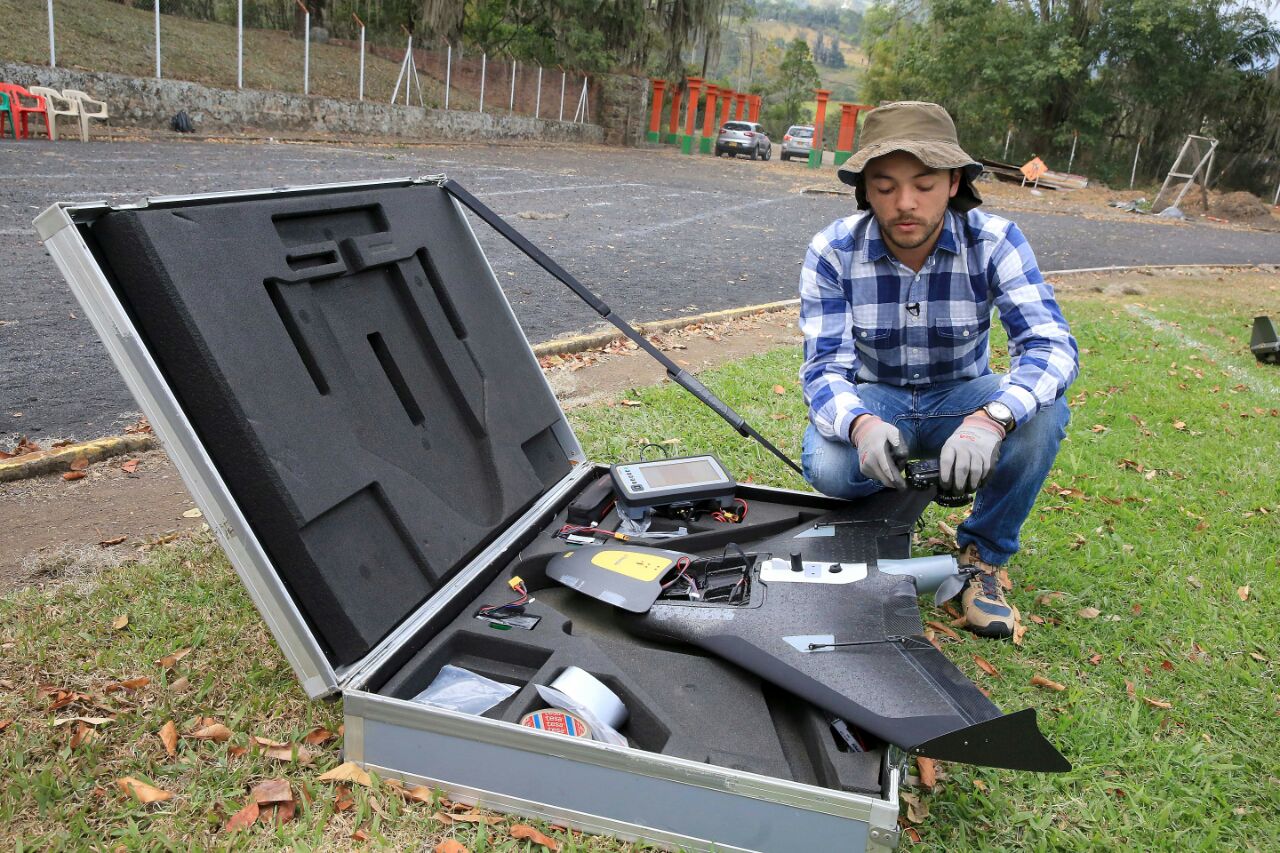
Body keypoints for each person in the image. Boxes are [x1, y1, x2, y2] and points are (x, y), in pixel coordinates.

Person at [798, 101, 1079, 639]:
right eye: (884, 186)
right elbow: (823, 368)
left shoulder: (995, 240)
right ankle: (892, 505)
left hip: (964, 398)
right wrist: (860, 424)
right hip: (878, 399)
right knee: (830, 466)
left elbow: (1050, 347)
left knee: (1044, 414)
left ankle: (982, 558)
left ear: (954, 182)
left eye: (924, 184)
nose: (905, 203)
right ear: (865, 190)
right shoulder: (832, 250)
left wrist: (992, 419)